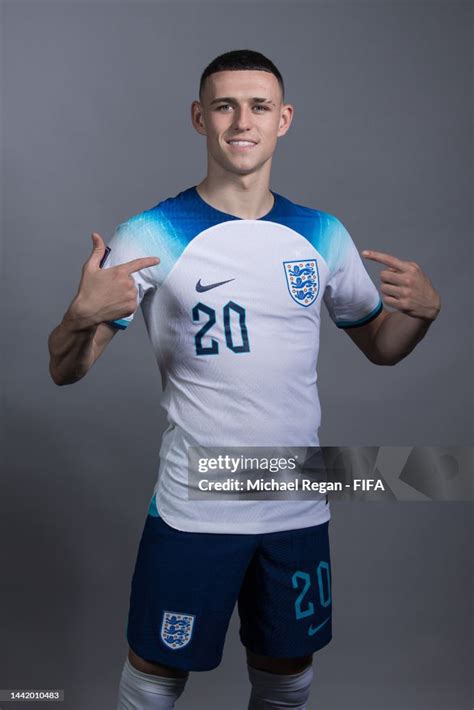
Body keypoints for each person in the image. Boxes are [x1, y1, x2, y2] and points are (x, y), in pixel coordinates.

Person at [48, 49, 441, 710]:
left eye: (258, 106)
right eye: (225, 105)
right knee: (155, 673)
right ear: (200, 117)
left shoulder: (320, 234)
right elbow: (66, 369)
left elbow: (382, 348)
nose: (241, 121)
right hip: (195, 504)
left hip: (297, 499)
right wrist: (78, 315)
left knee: (287, 672)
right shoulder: (151, 234)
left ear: (282, 119)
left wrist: (424, 315)